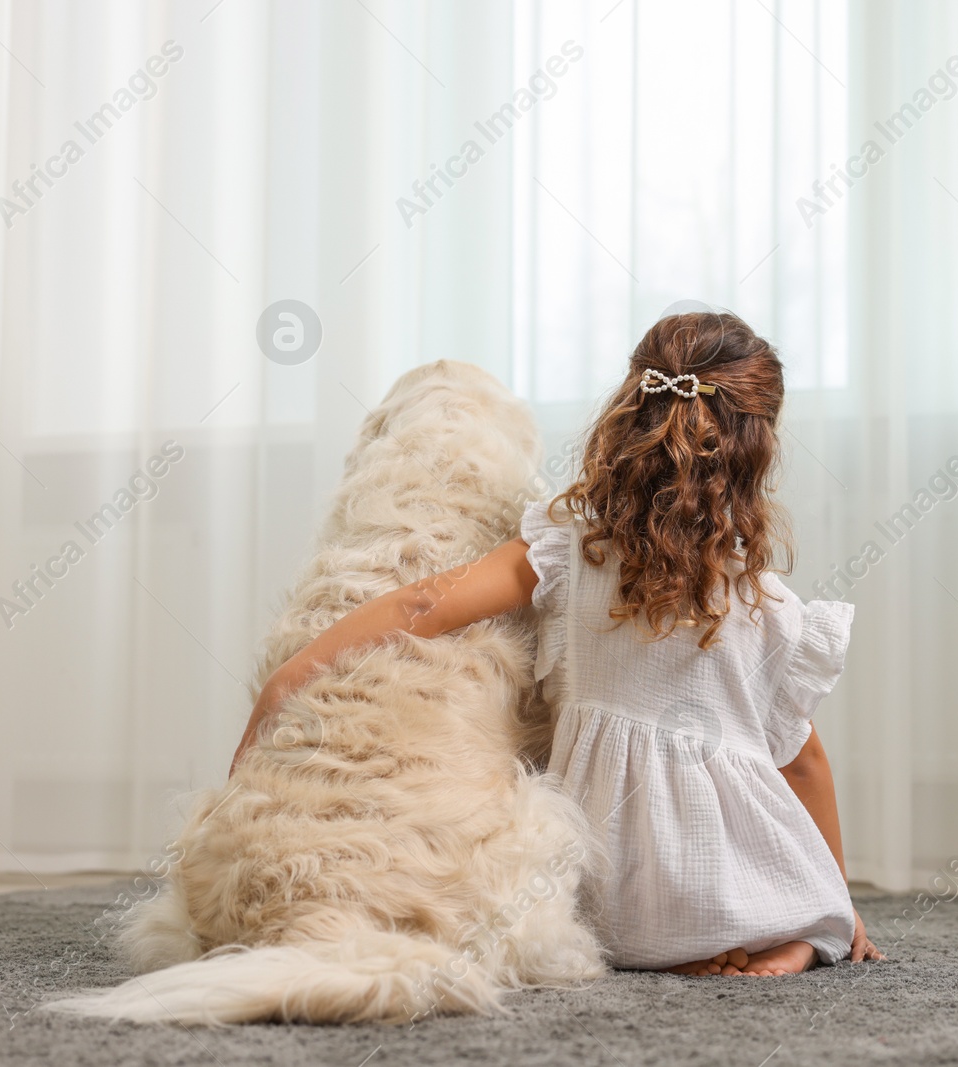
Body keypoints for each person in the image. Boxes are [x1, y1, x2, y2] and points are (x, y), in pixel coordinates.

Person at [235, 310, 882, 976]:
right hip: (726, 884)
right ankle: (795, 934)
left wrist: (293, 672)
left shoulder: (570, 549)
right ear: (758, 451)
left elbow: (420, 604)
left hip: (608, 904)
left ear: (629, 418)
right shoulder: (767, 606)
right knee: (809, 899)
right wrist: (838, 894)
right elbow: (804, 765)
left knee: (595, 890)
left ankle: (689, 945)